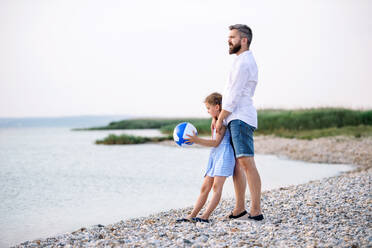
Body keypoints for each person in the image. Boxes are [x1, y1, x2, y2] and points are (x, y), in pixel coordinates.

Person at [215, 24, 264, 221]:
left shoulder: (244, 62)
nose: (229, 40)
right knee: (238, 165)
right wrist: (221, 117)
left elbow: (233, 96)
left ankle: (256, 210)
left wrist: (220, 118)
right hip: (234, 117)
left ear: (244, 40)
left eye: (232, 37)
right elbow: (230, 95)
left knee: (246, 162)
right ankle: (239, 209)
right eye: (229, 37)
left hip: (241, 117)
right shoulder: (240, 61)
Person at [176, 92, 235, 223]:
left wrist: (196, 140)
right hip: (215, 155)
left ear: (217, 107)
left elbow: (216, 142)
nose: (207, 111)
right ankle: (192, 215)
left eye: (209, 108)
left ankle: (205, 216)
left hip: (224, 155)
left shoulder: (223, 121)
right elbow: (213, 141)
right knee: (205, 187)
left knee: (216, 187)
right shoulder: (214, 120)